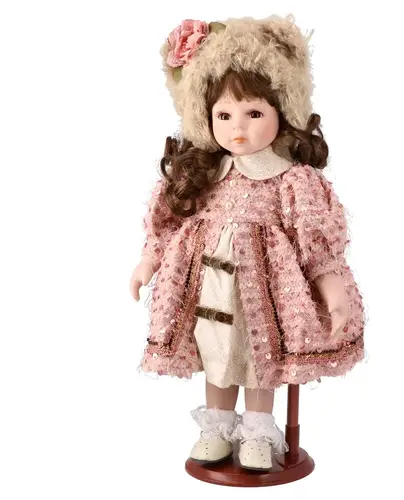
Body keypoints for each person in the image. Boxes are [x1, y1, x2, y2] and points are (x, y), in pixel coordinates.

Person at [129, 14, 366, 471]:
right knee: (216, 352)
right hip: (208, 290)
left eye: (254, 113)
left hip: (266, 294)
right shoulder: (203, 174)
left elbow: (314, 239)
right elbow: (169, 222)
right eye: (224, 115)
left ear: (282, 112)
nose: (237, 127)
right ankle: (216, 428)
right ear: (206, 118)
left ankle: (258, 431)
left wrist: (331, 285)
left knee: (261, 356)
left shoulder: (290, 180)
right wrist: (149, 260)